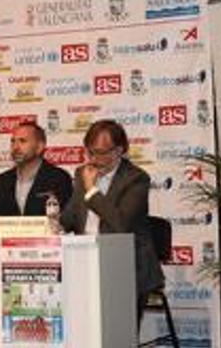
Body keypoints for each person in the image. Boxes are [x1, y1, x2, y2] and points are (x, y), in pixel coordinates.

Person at [60, 119, 163, 324]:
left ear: (119, 150)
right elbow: (71, 217)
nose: (95, 159)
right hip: (85, 262)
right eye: (91, 152)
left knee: (117, 332)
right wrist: (54, 222)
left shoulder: (136, 179)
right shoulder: (82, 173)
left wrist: (91, 191)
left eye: (102, 152)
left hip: (127, 266)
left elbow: (120, 223)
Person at [0, 122, 73, 216]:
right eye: (13, 141)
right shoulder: (2, 181)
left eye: (22, 141)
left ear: (39, 147)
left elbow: (66, 221)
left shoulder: (59, 179)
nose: (15, 147)